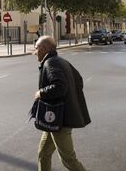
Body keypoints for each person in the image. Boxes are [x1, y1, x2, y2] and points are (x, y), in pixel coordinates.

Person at [33, 35, 90, 171]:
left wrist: (41, 93)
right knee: (43, 153)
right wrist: (69, 99)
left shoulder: (50, 63)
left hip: (61, 120)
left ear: (45, 48)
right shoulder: (61, 61)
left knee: (68, 160)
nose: (34, 52)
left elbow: (59, 86)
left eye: (36, 48)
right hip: (54, 119)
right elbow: (79, 81)